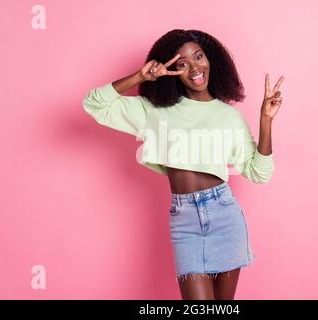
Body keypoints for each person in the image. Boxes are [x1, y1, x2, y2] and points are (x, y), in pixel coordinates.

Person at [82, 29, 284, 300]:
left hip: (225, 214)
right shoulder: (154, 110)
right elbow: (94, 103)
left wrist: (266, 121)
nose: (195, 68)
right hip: (184, 219)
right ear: (172, 70)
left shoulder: (228, 116)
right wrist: (140, 76)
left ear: (211, 59)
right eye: (182, 64)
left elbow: (260, 174)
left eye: (199, 57)